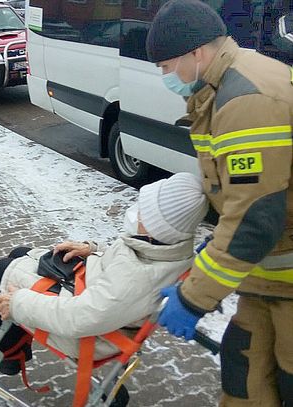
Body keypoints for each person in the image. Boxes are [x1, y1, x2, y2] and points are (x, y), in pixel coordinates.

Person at [145, 1, 293, 406]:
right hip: (269, 276)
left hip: (282, 270)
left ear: (196, 53)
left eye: (165, 66)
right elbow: (244, 198)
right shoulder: (219, 89)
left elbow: (254, 219)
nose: (164, 77)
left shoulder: (247, 101)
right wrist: (214, 252)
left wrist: (195, 296)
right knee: (243, 369)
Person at [0, 172, 208, 376]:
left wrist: (20, 304)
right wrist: (92, 251)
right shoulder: (167, 248)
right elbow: (127, 261)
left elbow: (80, 318)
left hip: (89, 333)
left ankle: (5, 356)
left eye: (144, 213)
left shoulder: (135, 279)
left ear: (159, 227)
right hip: (94, 295)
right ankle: (14, 345)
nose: (137, 214)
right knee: (21, 253)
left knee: (2, 271)